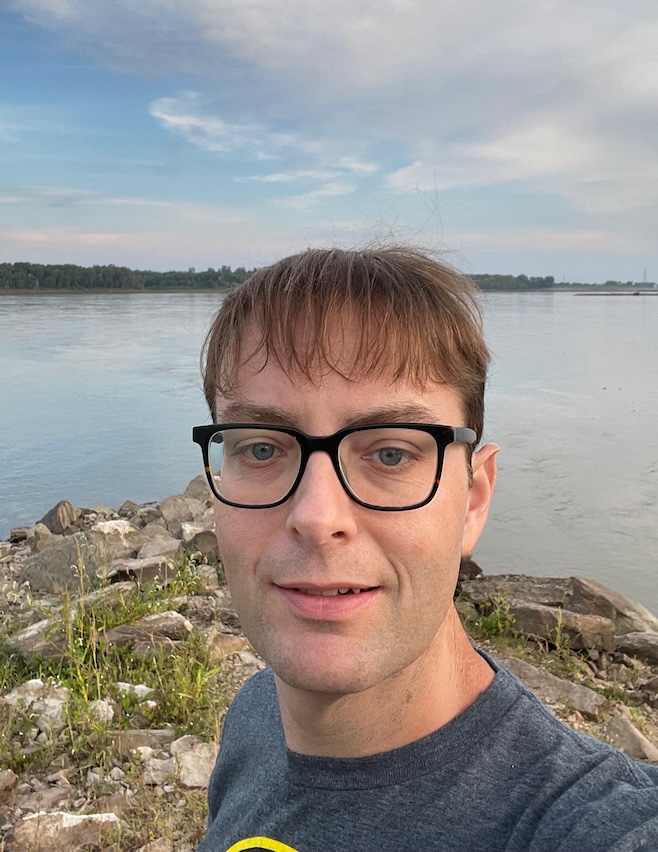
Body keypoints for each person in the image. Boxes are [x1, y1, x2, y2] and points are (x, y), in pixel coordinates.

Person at [194, 246, 658, 852]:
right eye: (261, 448)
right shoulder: (256, 717)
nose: (316, 516)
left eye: (391, 453)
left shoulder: (581, 824)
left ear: (473, 500)